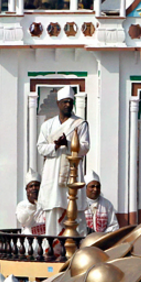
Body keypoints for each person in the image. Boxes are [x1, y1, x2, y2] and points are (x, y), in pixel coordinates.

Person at [36, 86, 91, 234]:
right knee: (54, 208)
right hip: (53, 174)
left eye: (70, 102)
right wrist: (55, 145)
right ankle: (53, 247)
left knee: (74, 210)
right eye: (64, 102)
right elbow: (41, 148)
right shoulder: (48, 125)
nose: (67, 105)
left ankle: (76, 246)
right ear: (58, 103)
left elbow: (85, 147)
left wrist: (68, 144)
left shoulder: (80, 124)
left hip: (72, 173)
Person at [17, 169, 47, 235]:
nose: (34, 188)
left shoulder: (46, 204)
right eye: (31, 186)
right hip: (28, 242)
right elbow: (24, 221)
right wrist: (32, 204)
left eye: (36, 185)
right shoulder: (22, 205)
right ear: (27, 189)